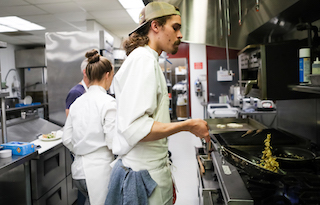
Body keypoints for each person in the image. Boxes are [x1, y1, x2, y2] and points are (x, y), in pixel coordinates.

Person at [108, 2, 210, 205]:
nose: (180, 35)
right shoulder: (142, 61)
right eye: (175, 27)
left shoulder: (148, 59)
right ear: (156, 26)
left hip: (149, 171)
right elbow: (136, 129)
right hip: (145, 177)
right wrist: (188, 125)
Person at [63, 49, 116, 205]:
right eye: (112, 76)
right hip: (99, 174)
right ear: (107, 75)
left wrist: (81, 148)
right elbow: (113, 142)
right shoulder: (108, 103)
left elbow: (66, 138)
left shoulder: (77, 102)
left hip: (79, 172)